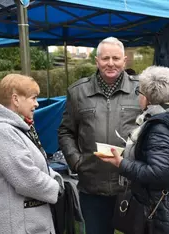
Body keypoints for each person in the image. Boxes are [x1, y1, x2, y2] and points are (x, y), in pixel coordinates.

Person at [96, 66, 169, 234]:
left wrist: (122, 164)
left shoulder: (161, 128)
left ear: (148, 98)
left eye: (139, 92)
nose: (138, 98)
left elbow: (159, 173)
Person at [58, 37, 140, 234]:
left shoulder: (141, 89)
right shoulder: (78, 92)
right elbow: (66, 131)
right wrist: (76, 162)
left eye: (115, 58)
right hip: (93, 188)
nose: (110, 63)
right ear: (97, 61)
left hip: (132, 186)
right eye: (105, 58)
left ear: (124, 61)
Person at [0, 74, 64, 234]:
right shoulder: (1, 133)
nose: (37, 104)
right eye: (33, 98)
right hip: (11, 227)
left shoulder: (15, 128)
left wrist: (55, 177)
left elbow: (37, 164)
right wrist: (56, 187)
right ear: (16, 100)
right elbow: (27, 180)